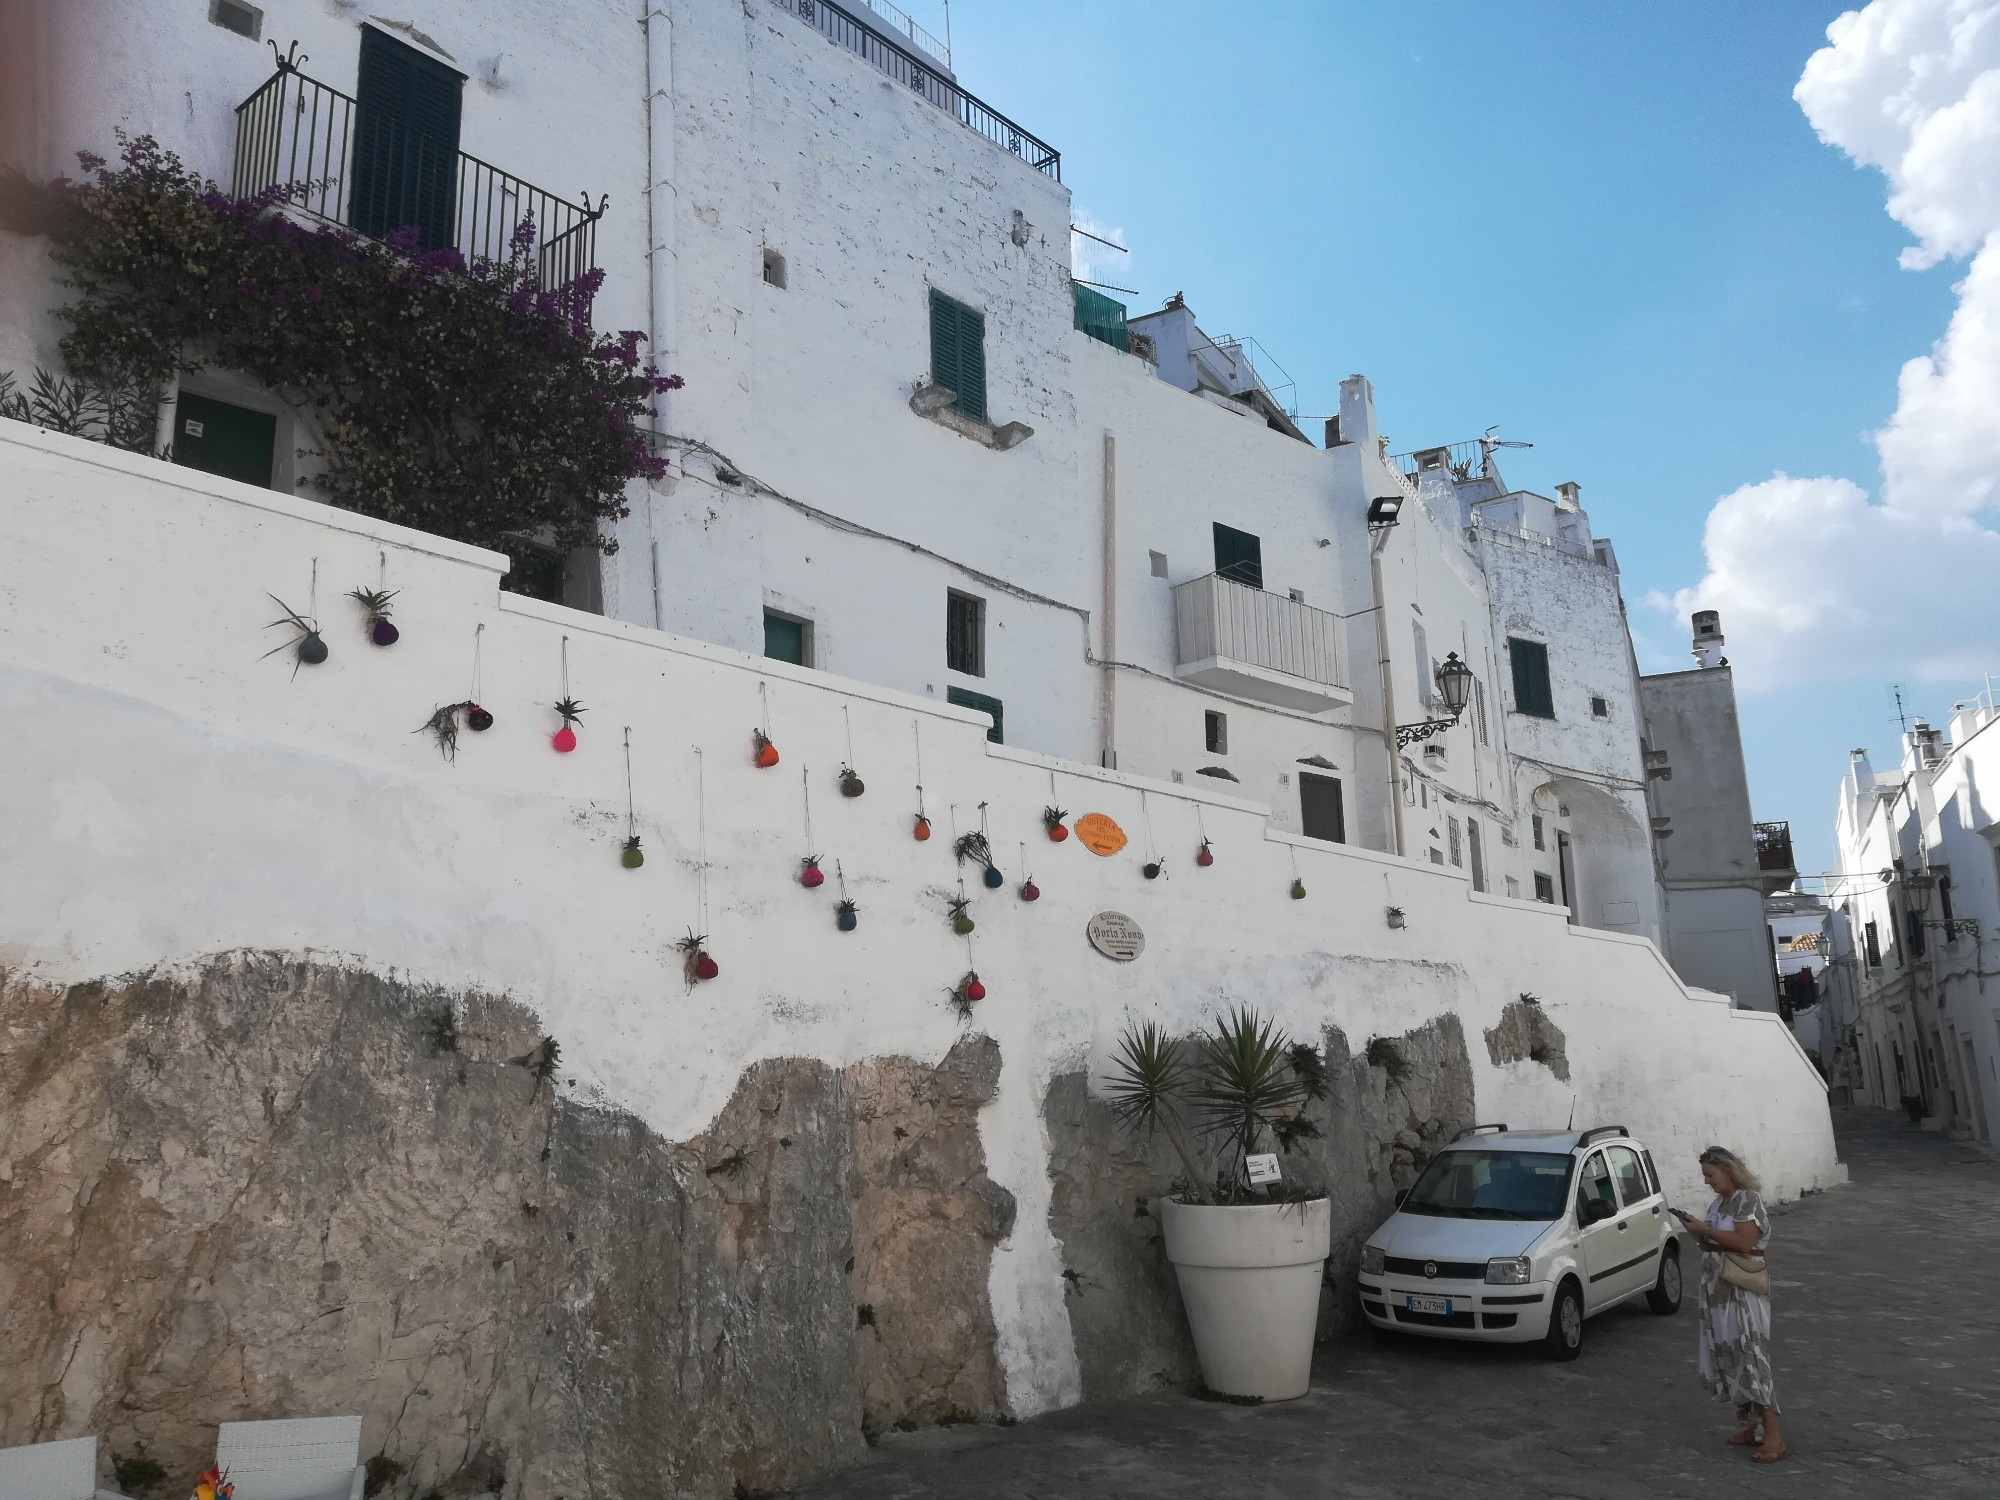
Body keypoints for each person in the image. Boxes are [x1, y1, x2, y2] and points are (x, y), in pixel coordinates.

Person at [1672, 1147, 1784, 1463]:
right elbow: (1713, 1243)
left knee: (1752, 1357)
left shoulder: (1748, 1200)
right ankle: (1751, 1428)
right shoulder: (1718, 1204)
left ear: (1727, 1170)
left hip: (1743, 1293)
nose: (1707, 1181)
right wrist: (1698, 1232)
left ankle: (1774, 1437)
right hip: (1718, 1292)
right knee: (1731, 1358)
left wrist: (1707, 1230)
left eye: (1710, 1174)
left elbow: (1745, 1243)